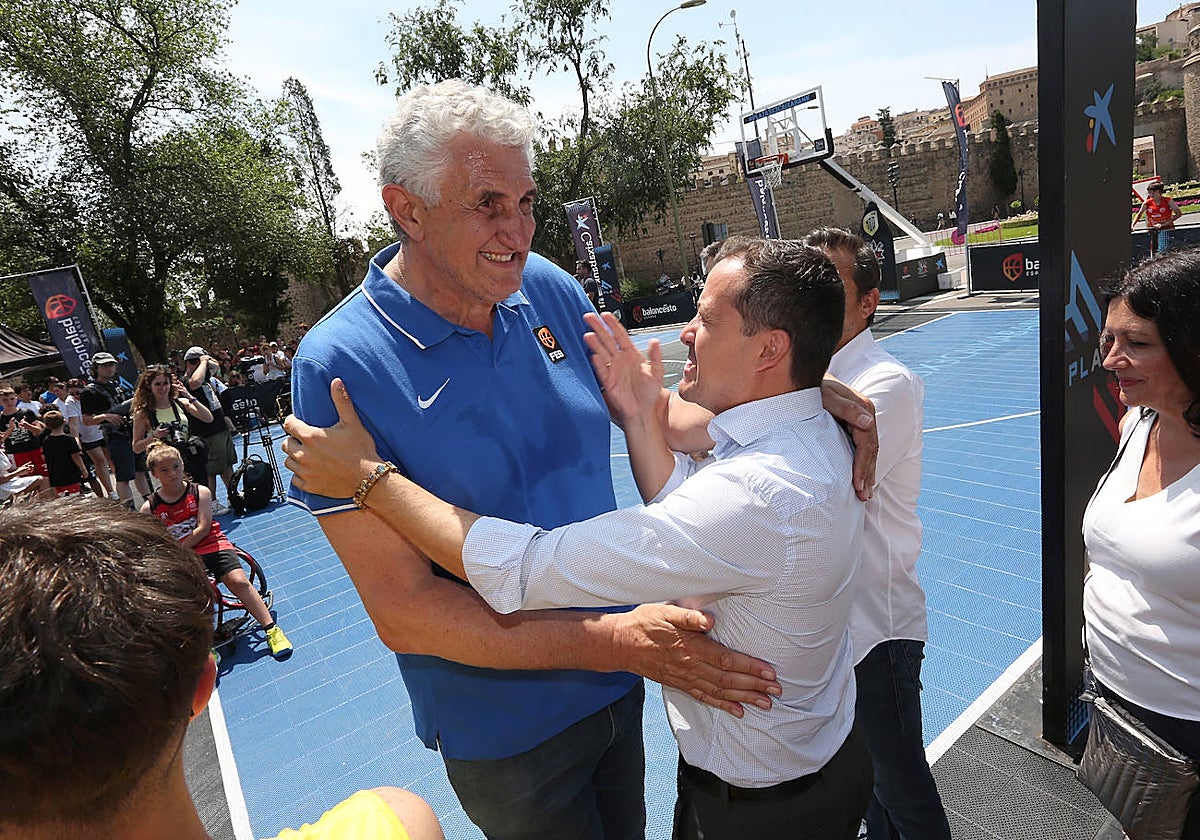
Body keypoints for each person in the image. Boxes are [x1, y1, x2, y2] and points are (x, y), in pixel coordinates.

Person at [282, 79, 802, 840]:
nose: (517, 230)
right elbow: (402, 611)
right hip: (508, 731)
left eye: (526, 202)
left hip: (621, 679)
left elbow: (653, 406)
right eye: (488, 203)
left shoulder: (546, 287)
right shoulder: (337, 364)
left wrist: (804, 397)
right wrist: (613, 637)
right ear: (407, 210)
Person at [0, 498, 441, 840]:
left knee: (236, 580)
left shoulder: (197, 497)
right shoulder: (397, 821)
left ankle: (270, 625)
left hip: (209, 550)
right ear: (202, 685)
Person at [804, 227, 951, 840]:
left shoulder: (885, 383)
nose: (809, 294)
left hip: (876, 633)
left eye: (827, 282)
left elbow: (815, 488)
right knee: (868, 795)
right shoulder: (812, 377)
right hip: (832, 634)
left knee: (901, 790)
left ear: (867, 302)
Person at [1083, 247, 1200, 839]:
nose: (1111, 360)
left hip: (1187, 733)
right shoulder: (1138, 424)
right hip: (1110, 702)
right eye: (1108, 339)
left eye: (1137, 343)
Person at [141, 441, 293, 659]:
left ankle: (271, 629)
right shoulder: (150, 507)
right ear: (155, 473)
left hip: (212, 544)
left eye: (176, 466)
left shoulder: (200, 491)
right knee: (193, 595)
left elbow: (203, 529)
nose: (172, 473)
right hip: (185, 556)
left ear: (183, 465)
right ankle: (205, 644)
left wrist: (177, 550)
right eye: (164, 469)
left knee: (239, 581)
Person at [80, 350, 151, 507]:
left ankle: (150, 502)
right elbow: (86, 420)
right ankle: (129, 508)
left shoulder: (116, 385)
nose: (109, 368)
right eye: (104, 365)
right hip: (115, 436)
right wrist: (105, 417)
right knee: (123, 477)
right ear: (96, 368)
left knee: (140, 472)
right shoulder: (90, 391)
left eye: (111, 365)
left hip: (131, 433)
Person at [131, 365, 214, 489]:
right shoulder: (143, 413)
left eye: (166, 383)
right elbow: (136, 447)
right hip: (168, 464)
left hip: (191, 457)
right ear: (149, 386)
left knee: (200, 490)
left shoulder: (182, 403)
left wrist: (189, 397)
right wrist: (154, 437)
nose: (163, 388)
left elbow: (208, 418)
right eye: (157, 384)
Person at [183, 346, 242, 515]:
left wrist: (206, 360)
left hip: (220, 427)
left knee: (226, 464)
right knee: (211, 470)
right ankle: (213, 502)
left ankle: (232, 495)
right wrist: (201, 361)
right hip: (206, 431)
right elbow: (194, 383)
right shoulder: (186, 382)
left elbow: (214, 366)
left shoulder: (206, 376)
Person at [0, 385, 46, 476]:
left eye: (12, 399)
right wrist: (10, 429)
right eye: (5, 400)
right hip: (16, 453)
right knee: (26, 481)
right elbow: (1, 440)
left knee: (44, 476)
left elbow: (39, 431)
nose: (9, 402)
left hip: (34, 449)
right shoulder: (1, 418)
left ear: (16, 399)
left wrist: (27, 425)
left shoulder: (26, 412)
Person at [40, 409, 87, 496]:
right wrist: (83, 469)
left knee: (62, 498)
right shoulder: (69, 439)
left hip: (55, 476)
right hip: (70, 475)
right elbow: (76, 456)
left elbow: (44, 457)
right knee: (76, 497)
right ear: (64, 421)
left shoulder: (46, 441)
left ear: (47, 425)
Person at [1132, 181, 1183, 256]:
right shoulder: (1147, 203)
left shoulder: (1167, 201)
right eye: (1149, 192)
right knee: (1153, 251)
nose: (1151, 194)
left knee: (1163, 251)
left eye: (1154, 192)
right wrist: (1132, 225)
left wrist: (1164, 224)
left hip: (1166, 229)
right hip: (1152, 230)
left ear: (1159, 192)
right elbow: (1139, 215)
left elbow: (1178, 213)